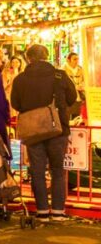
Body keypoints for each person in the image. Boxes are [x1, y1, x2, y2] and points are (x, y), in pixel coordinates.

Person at [11, 44, 78, 222]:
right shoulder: (59, 75)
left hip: (33, 131)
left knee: (37, 170)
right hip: (58, 129)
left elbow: (15, 103)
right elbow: (72, 98)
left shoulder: (20, 79)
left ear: (28, 58)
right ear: (46, 55)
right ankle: (57, 211)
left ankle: (42, 211)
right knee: (57, 170)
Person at [62, 53, 86, 122]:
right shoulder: (62, 70)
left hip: (78, 98)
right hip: (67, 99)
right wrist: (74, 87)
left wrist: (82, 85)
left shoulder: (81, 69)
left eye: (78, 59)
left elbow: (85, 80)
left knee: (77, 118)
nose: (77, 61)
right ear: (68, 60)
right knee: (67, 119)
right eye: (74, 59)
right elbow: (62, 85)